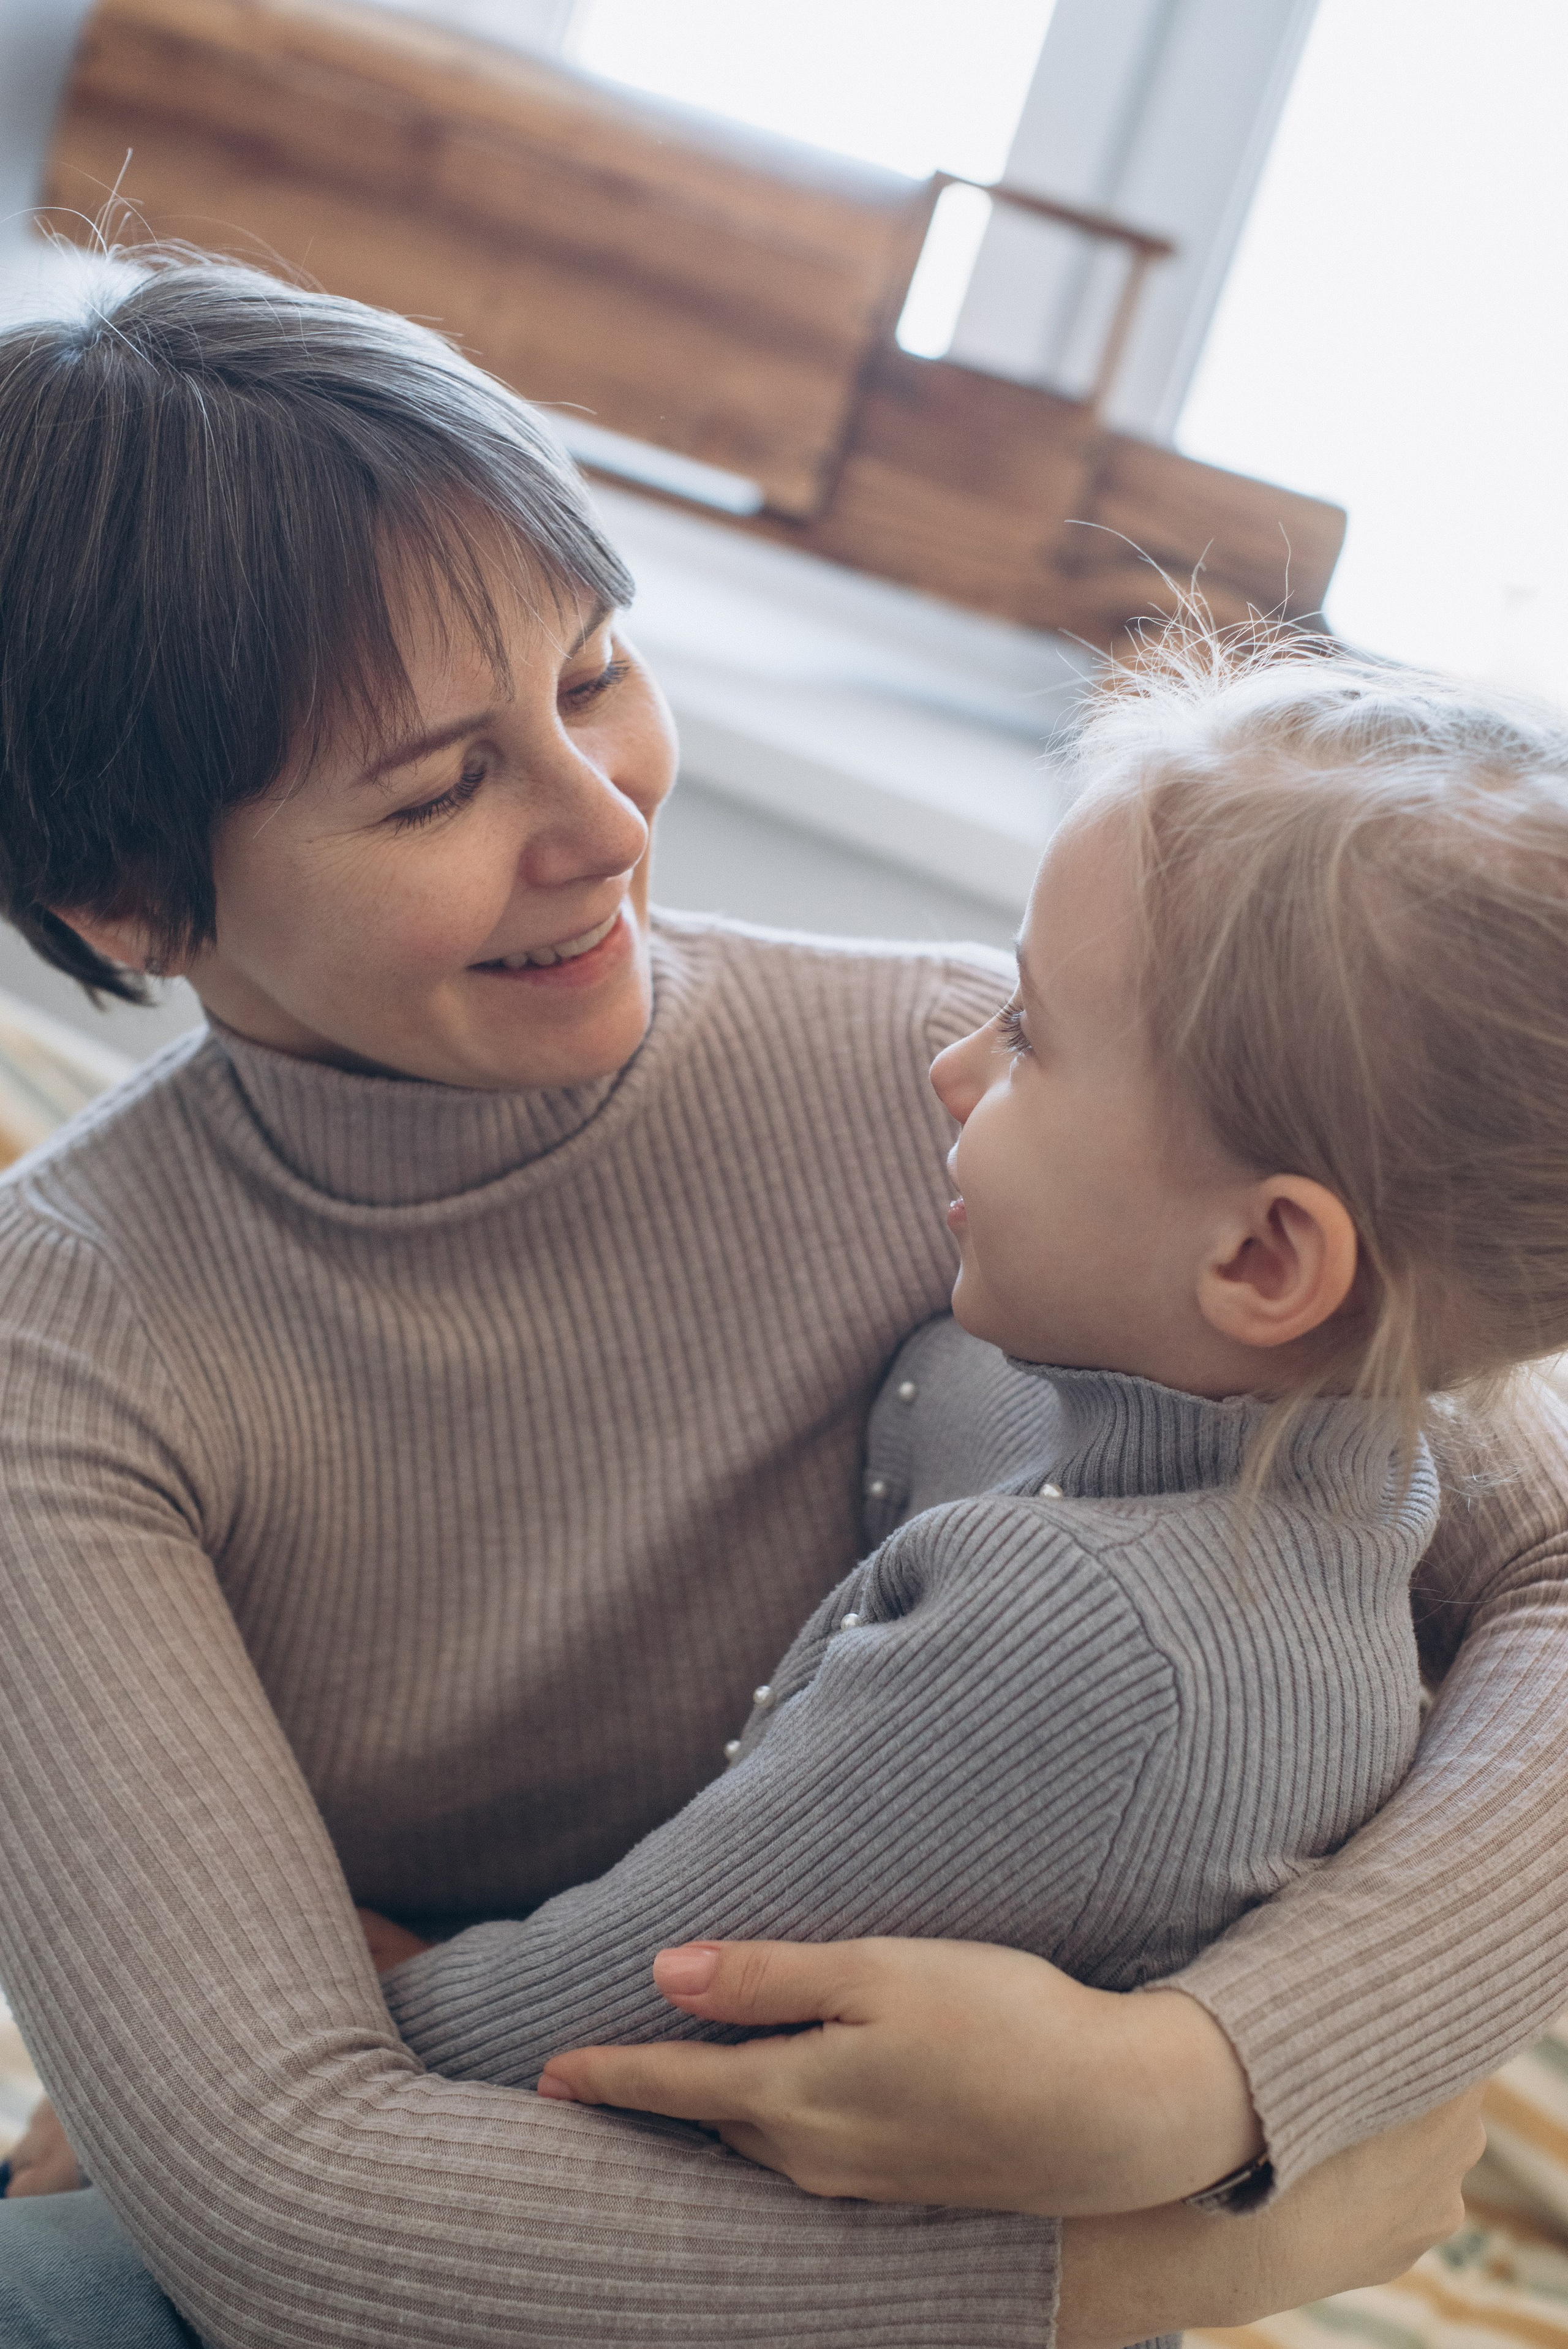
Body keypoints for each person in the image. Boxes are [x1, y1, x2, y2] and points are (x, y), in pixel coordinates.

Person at [0, 252, 1558, 2349]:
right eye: (441, 785)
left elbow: (1545, 1558)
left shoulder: (990, 1096)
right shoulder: (67, 1352)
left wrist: (1199, 2076)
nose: (607, 818)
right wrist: (1163, 2257)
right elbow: (289, 2200)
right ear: (130, 898)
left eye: (598, 669)